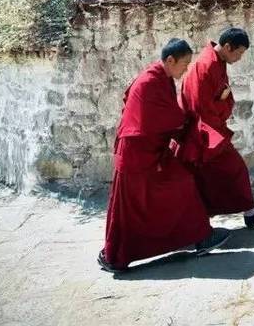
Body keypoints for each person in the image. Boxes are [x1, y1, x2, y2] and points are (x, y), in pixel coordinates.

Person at [98, 38, 231, 272]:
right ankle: (114, 256)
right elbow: (165, 117)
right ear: (170, 60)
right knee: (132, 209)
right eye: (184, 65)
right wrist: (188, 120)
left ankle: (199, 236)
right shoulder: (150, 82)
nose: (186, 70)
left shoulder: (161, 77)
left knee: (180, 185)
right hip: (138, 156)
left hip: (149, 152)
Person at [180, 27, 254, 229]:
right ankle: (201, 224)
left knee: (222, 174)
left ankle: (249, 212)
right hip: (204, 133)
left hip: (208, 129)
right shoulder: (207, 66)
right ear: (227, 47)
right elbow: (201, 107)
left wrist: (224, 99)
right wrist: (223, 103)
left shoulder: (217, 61)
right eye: (239, 52)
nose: (240, 58)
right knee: (227, 171)